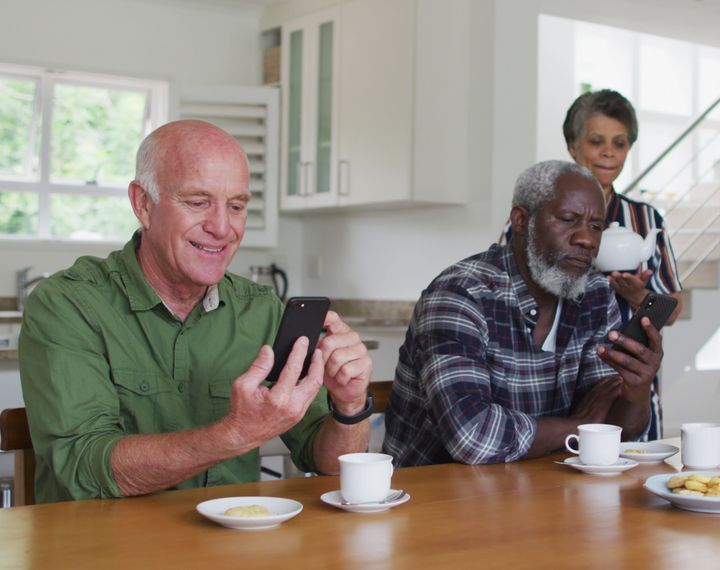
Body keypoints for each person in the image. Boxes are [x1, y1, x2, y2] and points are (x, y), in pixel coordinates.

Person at [19, 120, 374, 503]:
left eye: (236, 206)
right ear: (143, 204)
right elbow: (82, 468)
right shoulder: (67, 304)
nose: (222, 228)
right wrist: (234, 434)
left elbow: (328, 462)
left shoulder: (261, 311)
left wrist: (349, 407)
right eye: (197, 202)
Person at [384, 160, 663, 467]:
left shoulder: (595, 295)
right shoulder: (460, 294)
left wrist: (636, 389)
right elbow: (472, 437)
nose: (586, 239)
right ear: (521, 221)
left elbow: (614, 427)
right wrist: (576, 428)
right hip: (434, 500)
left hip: (544, 492)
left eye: (596, 226)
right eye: (569, 220)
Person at [502, 89, 682, 441]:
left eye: (620, 143)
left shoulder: (645, 218)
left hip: (624, 380)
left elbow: (671, 310)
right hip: (547, 382)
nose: (608, 152)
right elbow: (505, 291)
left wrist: (638, 295)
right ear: (573, 145)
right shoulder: (535, 215)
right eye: (596, 140)